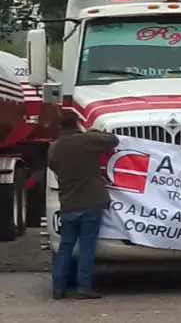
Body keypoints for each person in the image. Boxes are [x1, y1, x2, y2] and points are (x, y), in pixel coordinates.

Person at [47, 112, 119, 300]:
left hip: (68, 204)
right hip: (91, 203)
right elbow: (112, 140)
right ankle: (84, 287)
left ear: (61, 126)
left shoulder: (54, 148)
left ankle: (58, 288)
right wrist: (92, 131)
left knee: (65, 247)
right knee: (87, 246)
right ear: (77, 124)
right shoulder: (86, 141)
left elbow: (53, 166)